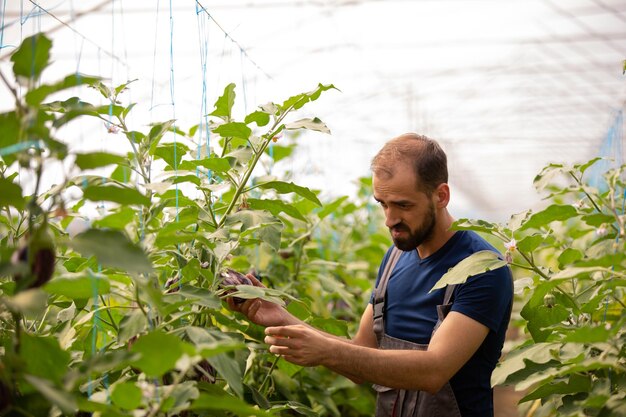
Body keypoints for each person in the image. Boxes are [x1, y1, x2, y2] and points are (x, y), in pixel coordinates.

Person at [227, 133, 513, 417]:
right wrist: (282, 317)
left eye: (403, 205)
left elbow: (433, 370)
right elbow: (360, 353)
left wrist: (327, 351)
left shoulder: (482, 268)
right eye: (383, 204)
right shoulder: (395, 258)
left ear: (441, 196)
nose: (390, 220)